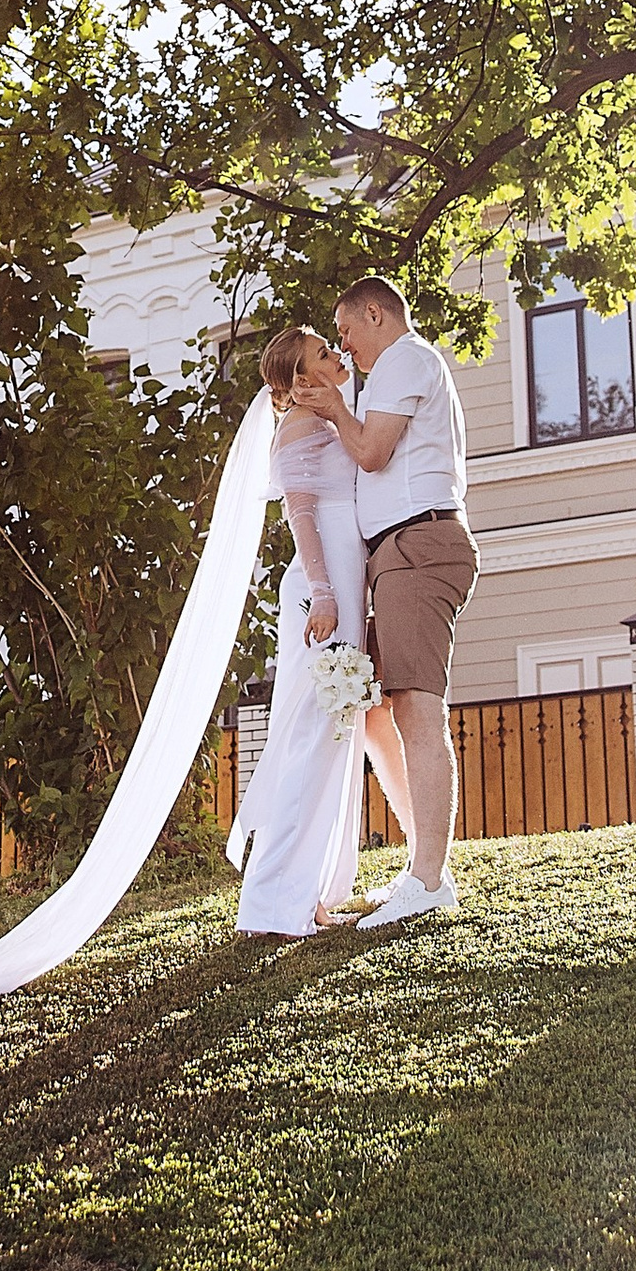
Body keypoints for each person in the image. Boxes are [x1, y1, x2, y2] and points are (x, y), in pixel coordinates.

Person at [292, 274, 478, 926]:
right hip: (393, 557)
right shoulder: (387, 375)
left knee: (419, 711)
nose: (344, 346)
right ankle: (426, 864)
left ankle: (428, 880)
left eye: (345, 331)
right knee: (375, 713)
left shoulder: (406, 360)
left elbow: (371, 453)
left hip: (419, 548)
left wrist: (336, 412)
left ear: (376, 313)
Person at [228, 326, 375, 934]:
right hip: (324, 593)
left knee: (334, 736)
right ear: (298, 381)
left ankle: (311, 895)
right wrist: (324, 592)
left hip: (344, 582)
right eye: (322, 353)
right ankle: (270, 902)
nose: (336, 355)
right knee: (313, 739)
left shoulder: (336, 417)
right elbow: (302, 515)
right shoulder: (298, 428)